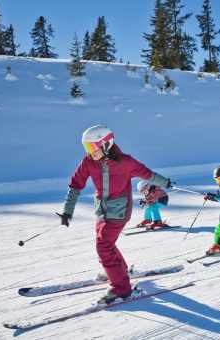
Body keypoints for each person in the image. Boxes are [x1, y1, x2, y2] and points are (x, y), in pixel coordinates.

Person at [57, 125, 172, 303]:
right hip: (101, 210)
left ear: (105, 144)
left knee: (103, 246)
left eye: (92, 147)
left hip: (119, 210)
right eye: (86, 148)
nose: (89, 152)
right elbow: (76, 184)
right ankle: (119, 271)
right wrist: (67, 210)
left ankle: (122, 289)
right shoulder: (89, 162)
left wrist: (166, 183)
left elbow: (148, 174)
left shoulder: (125, 162)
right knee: (105, 243)